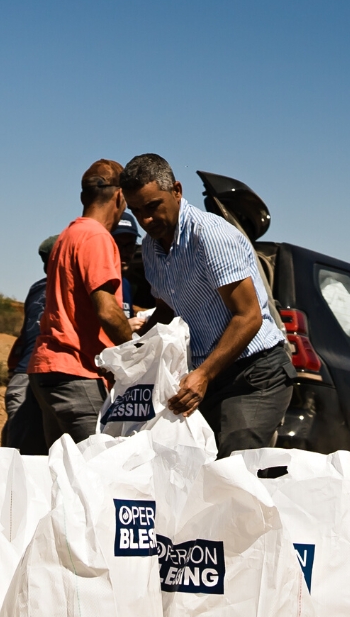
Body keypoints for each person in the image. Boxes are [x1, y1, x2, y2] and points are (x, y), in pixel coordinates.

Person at [120, 154, 292, 457]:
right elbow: (166, 311)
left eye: (152, 206)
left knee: (232, 470)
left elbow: (248, 316)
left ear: (176, 191)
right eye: (136, 211)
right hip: (207, 376)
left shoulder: (210, 236)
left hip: (254, 376)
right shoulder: (150, 247)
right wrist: (135, 356)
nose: (145, 220)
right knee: (188, 469)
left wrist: (204, 375)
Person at [27, 160, 132, 443]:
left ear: (83, 196)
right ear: (120, 196)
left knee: (64, 472)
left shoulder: (67, 236)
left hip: (48, 370)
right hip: (77, 370)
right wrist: (137, 352)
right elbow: (107, 311)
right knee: (95, 470)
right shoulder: (98, 237)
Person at [0, 235, 55, 454]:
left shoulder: (35, 288)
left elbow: (24, 337)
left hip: (22, 375)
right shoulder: (72, 287)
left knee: (19, 449)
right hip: (43, 374)